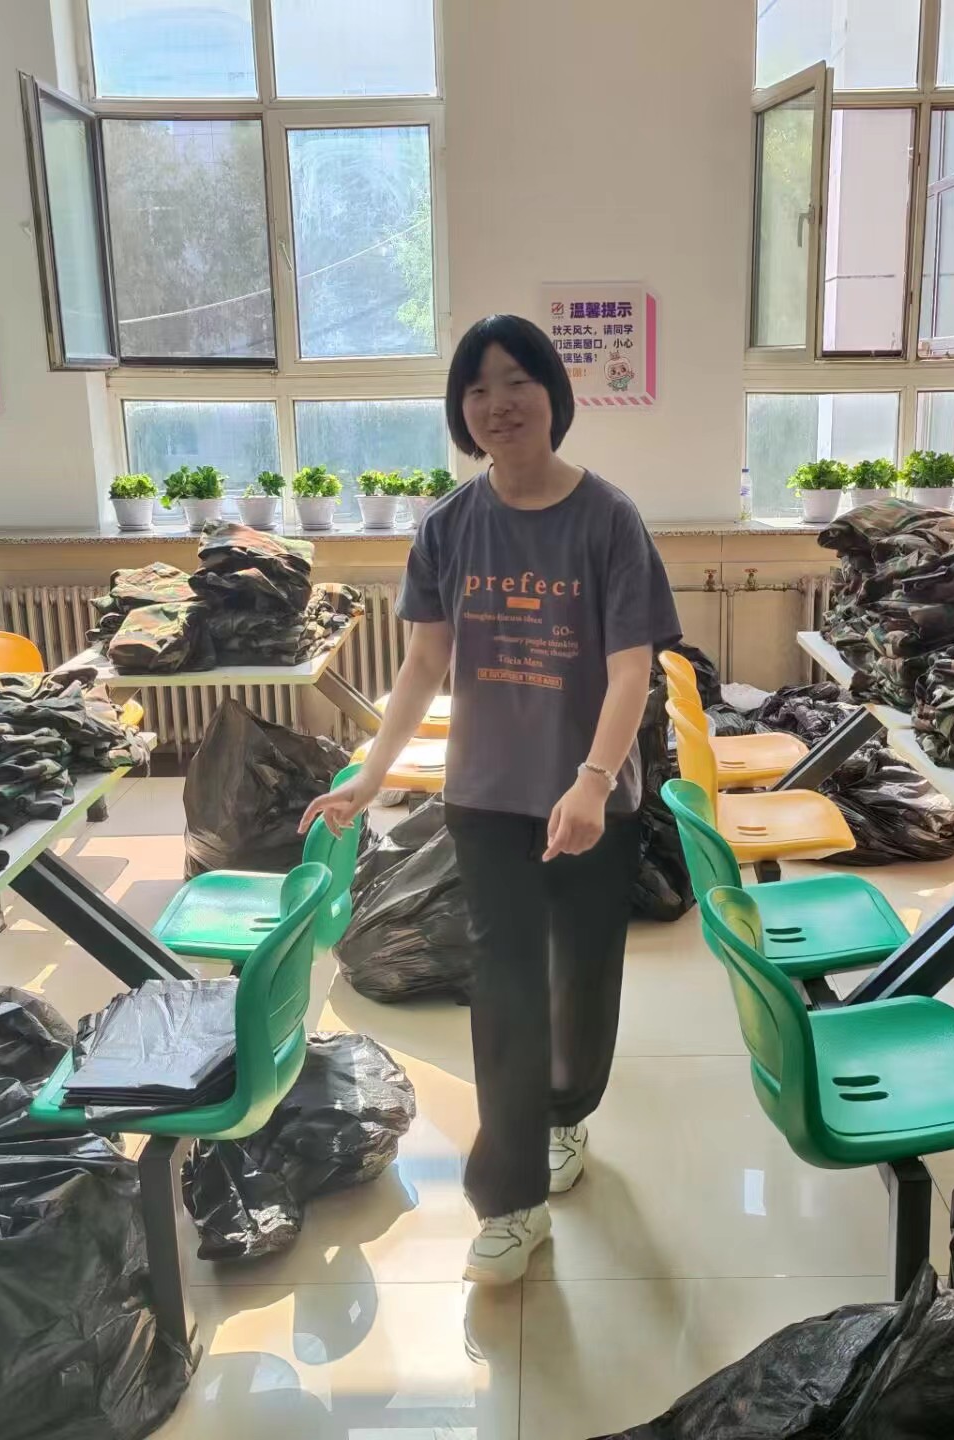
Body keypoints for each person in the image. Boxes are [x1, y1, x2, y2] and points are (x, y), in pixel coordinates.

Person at [301, 314, 681, 1285]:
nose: (497, 403)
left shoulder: (609, 520)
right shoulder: (448, 526)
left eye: (516, 381)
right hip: (486, 798)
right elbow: (424, 661)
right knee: (505, 994)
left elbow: (632, 669)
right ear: (460, 411)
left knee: (581, 980)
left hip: (593, 800)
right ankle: (509, 1202)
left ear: (553, 395)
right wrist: (370, 774)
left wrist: (593, 780)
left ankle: (567, 1112)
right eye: (477, 389)